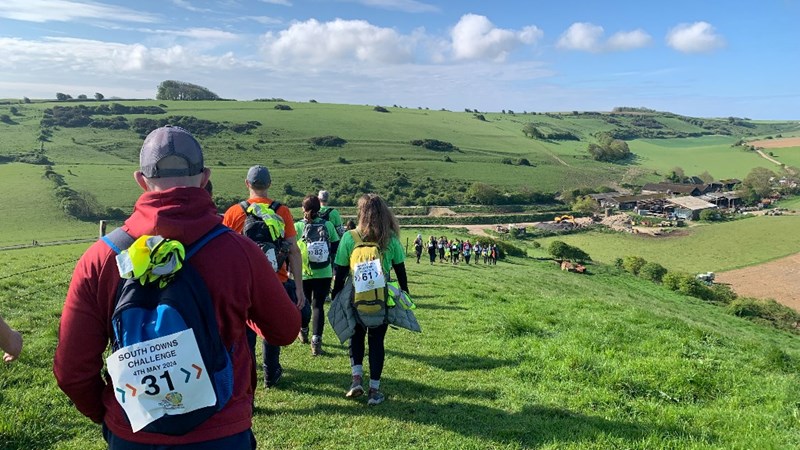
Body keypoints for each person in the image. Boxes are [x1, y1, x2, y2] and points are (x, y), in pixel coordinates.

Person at [54, 126, 300, 448]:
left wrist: (113, 415)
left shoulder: (100, 258)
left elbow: (71, 371)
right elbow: (285, 330)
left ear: (141, 180)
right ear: (205, 177)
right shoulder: (241, 253)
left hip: (133, 434)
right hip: (221, 433)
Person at [222, 165, 308, 389]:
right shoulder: (282, 211)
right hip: (275, 281)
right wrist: (299, 288)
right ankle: (271, 372)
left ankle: (248, 378)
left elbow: (224, 253)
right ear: (269, 184)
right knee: (270, 329)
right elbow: (293, 251)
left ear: (247, 184)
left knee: (246, 334)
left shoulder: (233, 213)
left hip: (243, 284)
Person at [331, 193, 408, 406]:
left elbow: (340, 270)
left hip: (355, 297)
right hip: (381, 298)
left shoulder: (349, 237)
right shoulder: (390, 238)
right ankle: (374, 390)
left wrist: (336, 294)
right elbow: (400, 270)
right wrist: (405, 292)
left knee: (356, 336)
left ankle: (356, 379)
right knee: (376, 341)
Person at [294, 195, 339, 356]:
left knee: (303, 304)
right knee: (318, 306)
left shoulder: (298, 226)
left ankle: (303, 329)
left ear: (303, 209)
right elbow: (335, 245)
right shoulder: (327, 225)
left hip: (303, 272)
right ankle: (316, 341)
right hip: (324, 271)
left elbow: (290, 248)